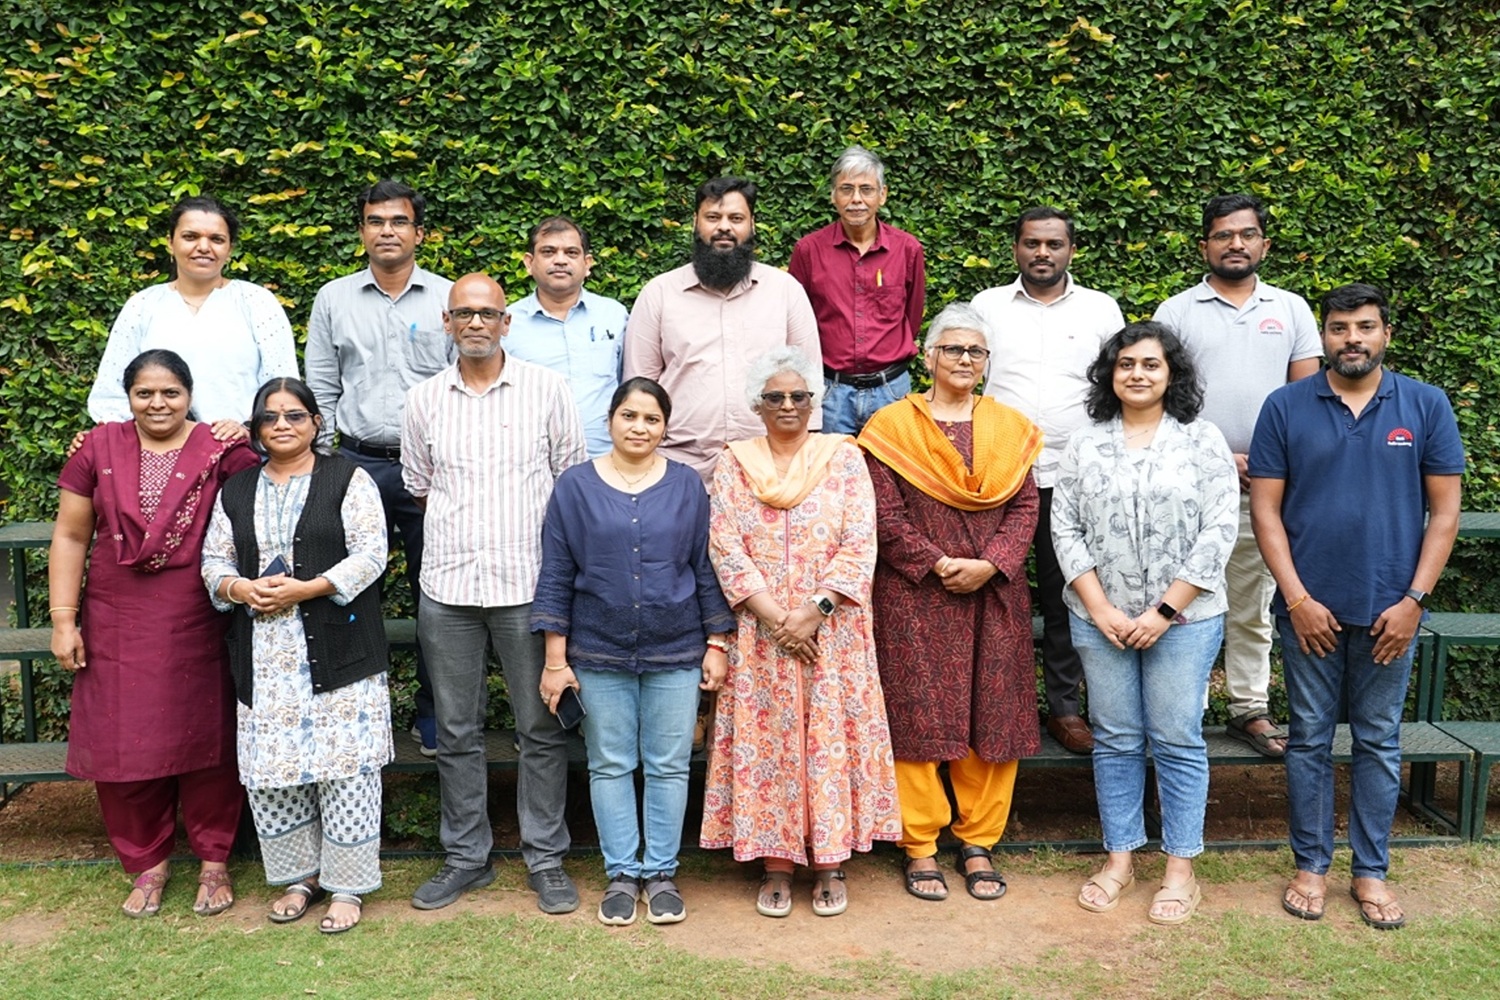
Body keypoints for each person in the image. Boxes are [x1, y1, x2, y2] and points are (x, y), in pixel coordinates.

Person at [1250, 283, 1463, 930]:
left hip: (1390, 613)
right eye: (1340, 328)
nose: (1352, 339)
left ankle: (1371, 871)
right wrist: (1297, 598)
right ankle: (1311, 867)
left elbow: (1445, 512)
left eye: (1365, 327)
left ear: (1386, 334)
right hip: (1308, 612)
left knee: (1378, 741)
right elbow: (1265, 510)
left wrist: (1414, 601)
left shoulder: (1425, 404)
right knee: (1308, 740)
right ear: (1324, 336)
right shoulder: (1285, 406)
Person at [49, 349, 259, 918]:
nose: (158, 403)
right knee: (123, 741)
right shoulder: (99, 448)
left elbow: (265, 509)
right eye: (144, 393)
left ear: (190, 395)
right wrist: (64, 619)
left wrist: (245, 435)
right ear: (128, 398)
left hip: (201, 614)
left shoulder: (223, 451)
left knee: (209, 740)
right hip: (117, 618)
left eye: (171, 392)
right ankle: (147, 864)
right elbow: (71, 535)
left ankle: (214, 861)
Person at [402, 273, 587, 914]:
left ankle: (546, 858)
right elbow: (420, 486)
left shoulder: (547, 390)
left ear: (507, 322)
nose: (475, 323)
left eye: (488, 313)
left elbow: (569, 482)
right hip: (448, 587)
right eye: (464, 313)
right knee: (456, 730)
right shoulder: (423, 400)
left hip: (527, 585)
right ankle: (466, 858)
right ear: (447, 323)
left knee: (540, 727)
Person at [702, 347, 900, 918]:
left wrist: (815, 610)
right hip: (760, 634)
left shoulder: (844, 457)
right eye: (775, 396)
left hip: (832, 633)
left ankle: (831, 861)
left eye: (798, 395)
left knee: (829, 738)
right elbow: (725, 546)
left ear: (815, 402)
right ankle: (777, 863)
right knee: (770, 743)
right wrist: (774, 618)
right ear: (757, 404)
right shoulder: (734, 463)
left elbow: (861, 540)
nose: (788, 405)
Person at [1052, 322, 1238, 925]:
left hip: (1184, 622)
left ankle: (1180, 869)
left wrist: (1163, 612)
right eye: (1126, 363)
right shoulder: (1084, 443)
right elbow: (1065, 528)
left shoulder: (1202, 439)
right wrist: (1101, 608)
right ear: (1110, 373)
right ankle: (1120, 860)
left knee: (1177, 739)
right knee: (1116, 739)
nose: (1137, 374)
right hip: (1100, 618)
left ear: (1171, 374)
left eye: (1151, 364)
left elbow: (1219, 531)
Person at [532, 377, 735, 926]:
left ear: (665, 427)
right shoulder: (575, 486)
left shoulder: (687, 485)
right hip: (598, 651)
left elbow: (704, 566)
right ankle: (622, 873)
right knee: (610, 764)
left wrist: (717, 642)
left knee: (669, 766)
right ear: (610, 420)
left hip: (677, 649)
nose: (639, 427)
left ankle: (661, 874)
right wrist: (556, 660)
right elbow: (557, 572)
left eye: (651, 419)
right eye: (629, 415)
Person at [858, 303, 1043, 902]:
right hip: (914, 595)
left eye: (975, 351)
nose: (965, 359)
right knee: (917, 714)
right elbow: (881, 512)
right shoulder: (890, 427)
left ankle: (978, 841)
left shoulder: (1010, 428)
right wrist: (937, 563)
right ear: (928, 356)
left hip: (994, 593)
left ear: (987, 362)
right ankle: (919, 844)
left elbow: (1025, 505)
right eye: (953, 349)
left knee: (993, 713)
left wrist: (991, 564)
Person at [202, 377, 393, 934]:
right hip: (265, 655)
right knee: (274, 771)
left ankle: (347, 887)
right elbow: (214, 559)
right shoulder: (237, 489)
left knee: (347, 768)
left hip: (339, 648)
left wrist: (307, 589)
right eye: (270, 417)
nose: (281, 425)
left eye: (294, 415)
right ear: (256, 427)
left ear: (315, 422)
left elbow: (371, 553)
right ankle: (299, 878)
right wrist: (241, 589)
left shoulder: (347, 478)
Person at [1153, 194, 1321, 758]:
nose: (1236, 244)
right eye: (1224, 235)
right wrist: (1220, 456)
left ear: (1264, 245)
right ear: (1205, 245)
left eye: (1247, 234)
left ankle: (1249, 707)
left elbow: (1306, 399)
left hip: (1264, 488)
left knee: (1252, 601)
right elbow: (1160, 396)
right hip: (1190, 486)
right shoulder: (1177, 312)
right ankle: (1185, 711)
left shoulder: (1291, 309)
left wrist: (1266, 460)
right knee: (1185, 599)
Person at [304, 178, 454, 758]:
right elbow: (321, 385)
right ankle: (352, 712)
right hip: (355, 463)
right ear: (362, 230)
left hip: (431, 472)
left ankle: (433, 715)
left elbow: (460, 382)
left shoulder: (447, 297)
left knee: (434, 596)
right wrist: (323, 465)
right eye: (375, 221)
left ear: (420, 232)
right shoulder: (333, 299)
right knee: (345, 589)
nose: (387, 231)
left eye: (398, 221)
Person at [973, 206, 1126, 755]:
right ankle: (997, 706)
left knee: (1070, 592)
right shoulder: (987, 306)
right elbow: (967, 376)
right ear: (1016, 248)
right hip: (1000, 476)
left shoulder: (1100, 309)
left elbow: (1118, 383)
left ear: (1071, 250)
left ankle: (1065, 709)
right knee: (998, 594)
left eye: (1054, 244)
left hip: (1074, 477)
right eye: (1032, 243)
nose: (1042, 253)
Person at [624, 176, 822, 481]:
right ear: (696, 222)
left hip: (770, 470)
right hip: (679, 468)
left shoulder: (786, 291)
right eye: (713, 217)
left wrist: (805, 463)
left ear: (752, 225)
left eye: (736, 218)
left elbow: (810, 383)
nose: (724, 227)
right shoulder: (659, 294)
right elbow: (639, 389)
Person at [86, 195, 299, 430]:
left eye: (217, 239)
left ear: (230, 248)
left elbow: (282, 387)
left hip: (241, 446)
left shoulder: (257, 302)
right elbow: (111, 392)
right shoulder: (142, 306)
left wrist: (247, 430)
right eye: (190, 237)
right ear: (170, 242)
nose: (204, 247)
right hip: (156, 446)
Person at [788, 146, 925, 435]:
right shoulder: (808, 251)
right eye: (846, 189)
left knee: (893, 464)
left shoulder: (907, 249)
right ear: (833, 195)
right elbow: (797, 321)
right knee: (830, 464)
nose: (856, 200)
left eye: (866, 189)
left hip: (892, 391)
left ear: (882, 195)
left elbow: (912, 317)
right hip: (830, 392)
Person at [506, 216, 629, 457]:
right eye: (548, 252)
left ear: (587, 263)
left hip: (605, 461)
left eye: (571, 253)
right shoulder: (507, 324)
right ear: (529, 263)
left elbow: (629, 381)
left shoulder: (614, 315)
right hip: (532, 463)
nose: (560, 260)